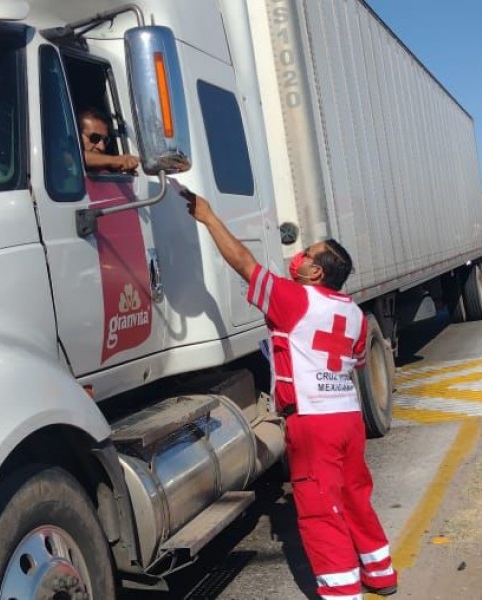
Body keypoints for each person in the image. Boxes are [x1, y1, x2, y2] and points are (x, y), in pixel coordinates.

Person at [180, 187, 398, 600]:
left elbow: (245, 265)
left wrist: (208, 217)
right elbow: (354, 364)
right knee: (354, 494)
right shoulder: (350, 311)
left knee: (319, 509)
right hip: (347, 418)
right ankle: (380, 573)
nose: (299, 256)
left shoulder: (294, 299)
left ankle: (341, 593)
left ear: (315, 272)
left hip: (313, 423)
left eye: (308, 254)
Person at [77, 108, 140, 174]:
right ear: (76, 134)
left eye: (105, 140)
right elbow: (74, 157)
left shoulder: (105, 174)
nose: (102, 147)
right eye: (95, 138)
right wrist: (116, 160)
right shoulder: (67, 167)